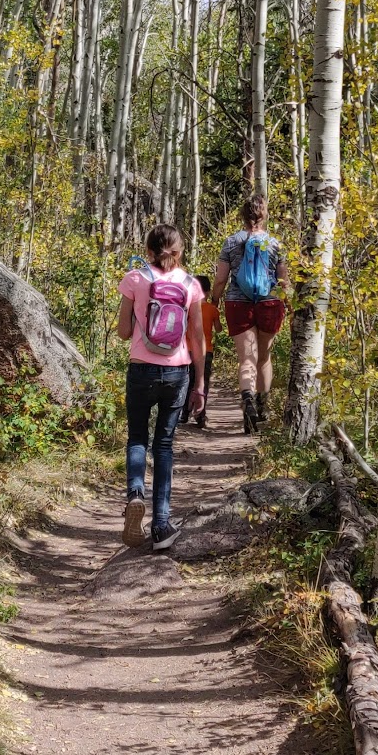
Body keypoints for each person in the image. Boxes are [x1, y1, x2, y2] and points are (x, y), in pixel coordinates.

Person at [117, 223, 205, 551]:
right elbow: (196, 336)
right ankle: (161, 526)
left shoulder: (135, 279)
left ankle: (135, 493)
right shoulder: (191, 285)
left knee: (138, 438)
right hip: (178, 371)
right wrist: (200, 383)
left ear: (149, 250)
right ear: (180, 252)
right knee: (164, 446)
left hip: (141, 369)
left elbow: (124, 331)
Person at [211, 193, 289, 434]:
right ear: (264, 216)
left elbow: (221, 278)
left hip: (237, 304)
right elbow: (284, 281)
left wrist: (214, 301)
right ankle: (262, 408)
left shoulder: (231, 242)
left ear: (242, 216)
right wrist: (292, 306)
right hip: (270, 304)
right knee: (263, 358)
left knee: (247, 360)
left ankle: (247, 404)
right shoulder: (275, 244)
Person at [182, 275, 219, 427]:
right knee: (203, 382)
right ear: (208, 292)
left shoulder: (187, 308)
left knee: (187, 382)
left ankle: (184, 413)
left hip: (187, 350)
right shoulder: (212, 309)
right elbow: (219, 329)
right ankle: (200, 415)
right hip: (206, 351)